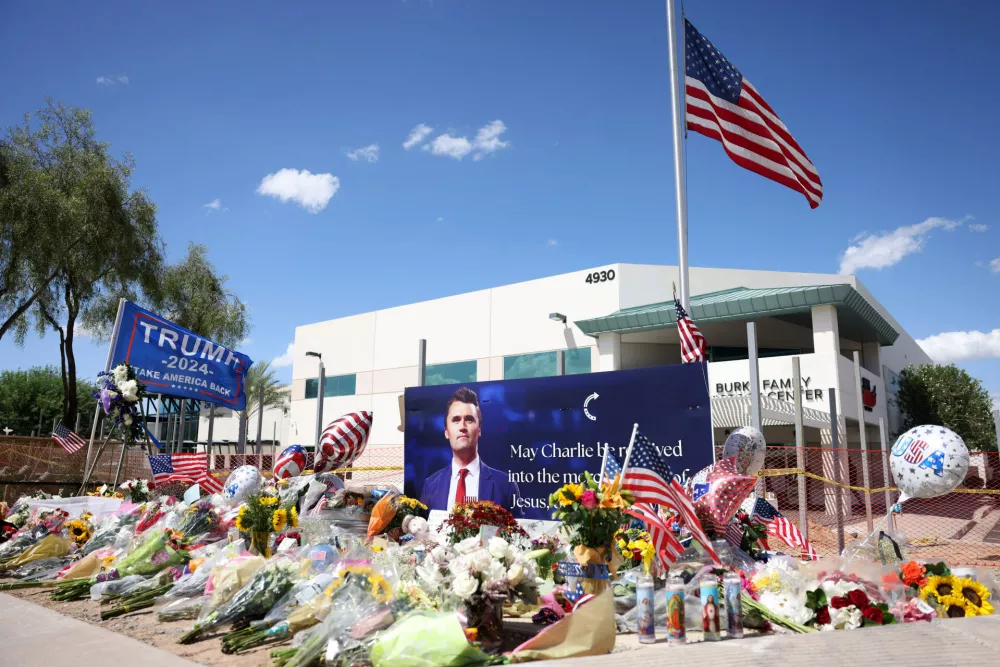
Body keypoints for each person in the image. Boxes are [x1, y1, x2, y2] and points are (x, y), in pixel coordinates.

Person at [418, 386, 521, 515]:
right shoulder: (430, 485)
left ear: (479, 429)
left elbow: (520, 527)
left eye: (469, 419)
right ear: (446, 431)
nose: (462, 426)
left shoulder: (505, 485)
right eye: (456, 420)